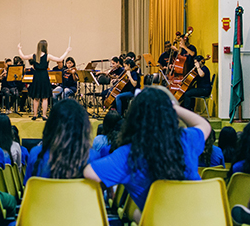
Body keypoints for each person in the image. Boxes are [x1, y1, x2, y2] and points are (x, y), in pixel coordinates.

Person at [84, 86, 211, 223]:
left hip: (160, 221)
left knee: (137, 214)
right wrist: (171, 107)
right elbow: (204, 125)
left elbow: (90, 173)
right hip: (200, 220)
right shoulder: (186, 139)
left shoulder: (128, 154)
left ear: (133, 117)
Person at [24, 99, 100, 185]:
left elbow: (28, 189)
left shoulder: (37, 153)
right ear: (83, 127)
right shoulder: (93, 156)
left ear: (51, 124)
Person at [18, 40, 71, 121]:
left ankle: (35, 115)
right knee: (44, 97)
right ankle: (44, 115)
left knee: (36, 98)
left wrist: (19, 49)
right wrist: (67, 51)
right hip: (44, 77)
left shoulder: (34, 55)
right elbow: (60, 59)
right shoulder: (47, 56)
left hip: (36, 77)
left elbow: (23, 57)